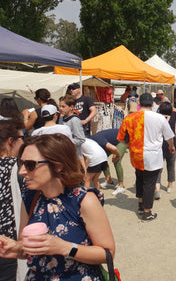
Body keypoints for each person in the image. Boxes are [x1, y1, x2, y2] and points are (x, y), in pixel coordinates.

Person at [0, 134, 115, 280]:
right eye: (21, 163)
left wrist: (64, 247)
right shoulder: (30, 198)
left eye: (30, 165)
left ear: (57, 165)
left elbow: (108, 253)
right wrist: (15, 248)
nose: (22, 171)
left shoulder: (83, 200)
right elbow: (27, 248)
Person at [117, 93, 175, 222]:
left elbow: (121, 138)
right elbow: (169, 137)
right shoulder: (160, 118)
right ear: (153, 104)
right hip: (152, 155)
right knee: (149, 182)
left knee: (139, 178)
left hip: (136, 154)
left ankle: (140, 204)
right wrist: (171, 146)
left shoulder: (129, 118)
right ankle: (147, 211)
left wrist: (130, 144)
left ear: (139, 103)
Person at [0, 119, 25, 281]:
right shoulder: (17, 168)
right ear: (11, 141)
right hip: (9, 246)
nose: (24, 142)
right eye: (22, 138)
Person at [89, 128, 127, 195]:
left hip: (122, 139)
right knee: (103, 159)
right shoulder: (91, 142)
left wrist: (117, 154)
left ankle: (121, 186)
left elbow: (113, 148)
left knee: (116, 161)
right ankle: (109, 181)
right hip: (111, 141)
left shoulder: (99, 140)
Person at [154, 102, 176, 198]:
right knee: (171, 165)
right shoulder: (173, 116)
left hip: (160, 145)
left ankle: (157, 188)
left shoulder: (157, 118)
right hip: (172, 144)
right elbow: (175, 111)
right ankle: (170, 185)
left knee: (158, 167)